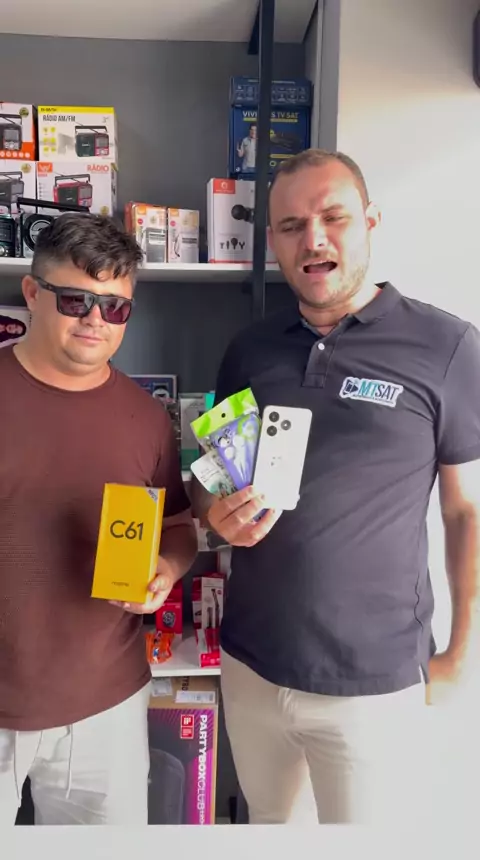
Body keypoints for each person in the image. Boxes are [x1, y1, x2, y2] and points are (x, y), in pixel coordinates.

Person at [191, 148, 480, 824]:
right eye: (292, 226)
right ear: (273, 241)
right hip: (251, 665)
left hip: (373, 683)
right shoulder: (249, 349)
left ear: (371, 220)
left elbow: (465, 512)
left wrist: (462, 653)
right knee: (270, 837)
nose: (313, 238)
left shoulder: (448, 347)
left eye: (333, 217)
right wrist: (212, 514)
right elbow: (209, 477)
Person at [0, 213, 197, 826]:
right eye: (75, 299)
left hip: (105, 705)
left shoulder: (147, 417)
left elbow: (178, 528)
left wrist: (166, 570)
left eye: (115, 307)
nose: (95, 319)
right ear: (32, 293)